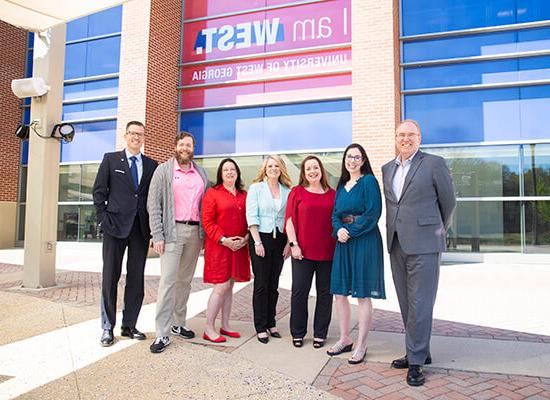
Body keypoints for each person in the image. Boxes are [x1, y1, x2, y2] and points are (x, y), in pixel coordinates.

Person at [382, 119, 456, 386]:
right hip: (396, 243)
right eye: (401, 135)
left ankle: (415, 363)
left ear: (419, 138)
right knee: (405, 302)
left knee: (421, 303)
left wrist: (437, 231)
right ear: (395, 138)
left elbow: (448, 202)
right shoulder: (386, 168)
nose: (405, 139)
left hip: (425, 243)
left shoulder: (434, 163)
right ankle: (418, 350)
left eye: (410, 135)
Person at [93, 121, 158, 346]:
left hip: (140, 229)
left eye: (140, 134)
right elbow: (99, 192)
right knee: (110, 276)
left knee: (136, 279)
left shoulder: (151, 165)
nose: (136, 137)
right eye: (132, 133)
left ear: (143, 137)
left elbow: (152, 198)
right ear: (125, 135)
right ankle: (107, 327)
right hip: (114, 227)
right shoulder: (111, 159)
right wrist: (103, 219)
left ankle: (129, 325)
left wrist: (153, 230)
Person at [147, 132, 209, 353]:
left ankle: (178, 323)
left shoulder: (201, 173)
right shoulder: (163, 171)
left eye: (189, 145)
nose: (185, 148)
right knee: (168, 283)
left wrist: (205, 235)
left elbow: (207, 206)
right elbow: (153, 205)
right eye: (182, 144)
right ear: (176, 147)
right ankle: (161, 333)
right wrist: (157, 235)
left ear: (194, 147)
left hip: (195, 233)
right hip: (172, 231)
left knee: (185, 282)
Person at [327, 144, 385, 364]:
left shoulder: (368, 181)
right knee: (340, 293)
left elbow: (373, 214)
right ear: (345, 160)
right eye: (349, 156)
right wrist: (339, 230)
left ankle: (361, 344)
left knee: (362, 294)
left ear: (363, 161)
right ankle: (344, 339)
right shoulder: (341, 185)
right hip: (343, 242)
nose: (352, 160)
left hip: (364, 240)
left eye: (356, 157)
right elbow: (335, 214)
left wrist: (350, 231)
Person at [285, 155, 336, 349]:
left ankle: (320, 333)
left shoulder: (333, 194)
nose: (313, 171)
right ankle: (298, 332)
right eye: (308, 169)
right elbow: (289, 220)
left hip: (328, 253)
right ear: (303, 173)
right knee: (299, 292)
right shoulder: (297, 192)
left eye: (316, 167)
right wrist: (293, 244)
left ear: (321, 170)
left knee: (325, 294)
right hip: (302, 252)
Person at [201, 158, 250, 343]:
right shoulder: (213, 193)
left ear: (237, 173)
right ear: (221, 174)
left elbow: (250, 219)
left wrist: (245, 238)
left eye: (233, 169)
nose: (229, 172)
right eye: (226, 170)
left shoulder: (244, 195)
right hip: (219, 247)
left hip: (238, 247)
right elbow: (207, 221)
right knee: (221, 286)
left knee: (230, 287)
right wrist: (223, 240)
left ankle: (226, 325)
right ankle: (209, 328)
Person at [246, 155, 292, 344]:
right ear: (265, 169)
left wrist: (289, 243)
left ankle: (271, 322)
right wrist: (257, 242)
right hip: (260, 238)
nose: (273, 168)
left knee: (274, 284)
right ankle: (260, 325)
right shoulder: (256, 188)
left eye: (277, 165)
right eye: (270, 165)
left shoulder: (287, 191)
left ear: (281, 168)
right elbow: (251, 215)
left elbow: (290, 218)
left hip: (280, 239)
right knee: (261, 284)